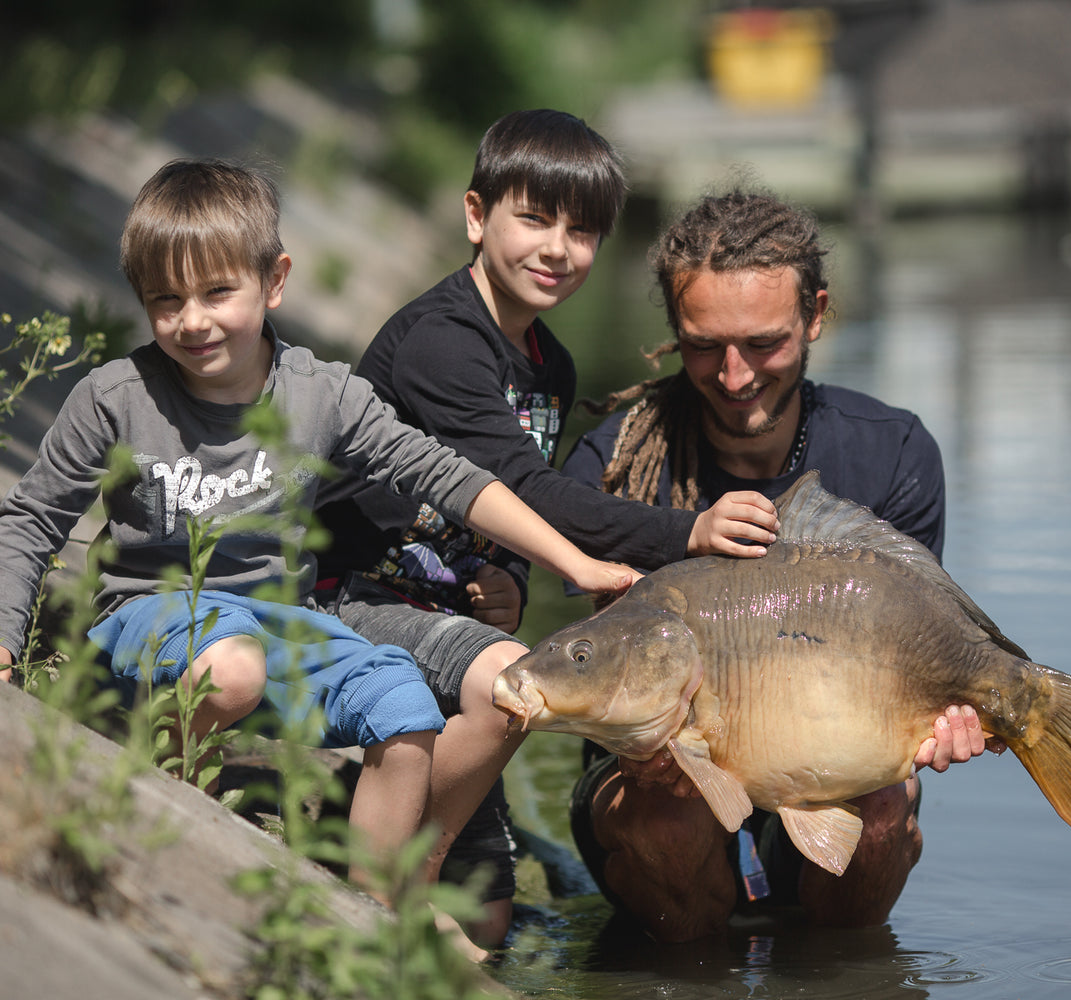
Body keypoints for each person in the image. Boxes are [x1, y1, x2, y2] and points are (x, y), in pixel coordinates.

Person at [0, 158, 637, 960]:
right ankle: (153, 800)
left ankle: (376, 911)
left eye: (216, 294)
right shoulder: (116, 396)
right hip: (145, 619)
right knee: (233, 667)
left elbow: (445, 476)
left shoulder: (322, 394)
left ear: (274, 281)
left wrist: (577, 565)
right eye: (165, 301)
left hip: (284, 621)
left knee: (405, 703)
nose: (192, 321)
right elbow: (32, 519)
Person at [313, 110, 777, 946]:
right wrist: (686, 533)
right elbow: (524, 483)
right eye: (534, 218)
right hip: (350, 600)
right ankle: (394, 877)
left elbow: (506, 517)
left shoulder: (550, 366)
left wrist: (513, 581)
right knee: (513, 684)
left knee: (487, 926)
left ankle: (395, 826)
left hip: (445, 618)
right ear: (475, 216)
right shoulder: (440, 343)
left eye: (583, 231)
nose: (557, 248)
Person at [561, 190, 998, 943]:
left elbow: (919, 644)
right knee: (666, 814)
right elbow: (604, 670)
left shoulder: (894, 455)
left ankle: (838, 980)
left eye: (763, 343)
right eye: (703, 346)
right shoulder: (612, 469)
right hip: (658, 776)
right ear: (673, 331)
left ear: (816, 315)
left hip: (828, 763)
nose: (734, 376)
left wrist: (950, 717)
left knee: (886, 809)